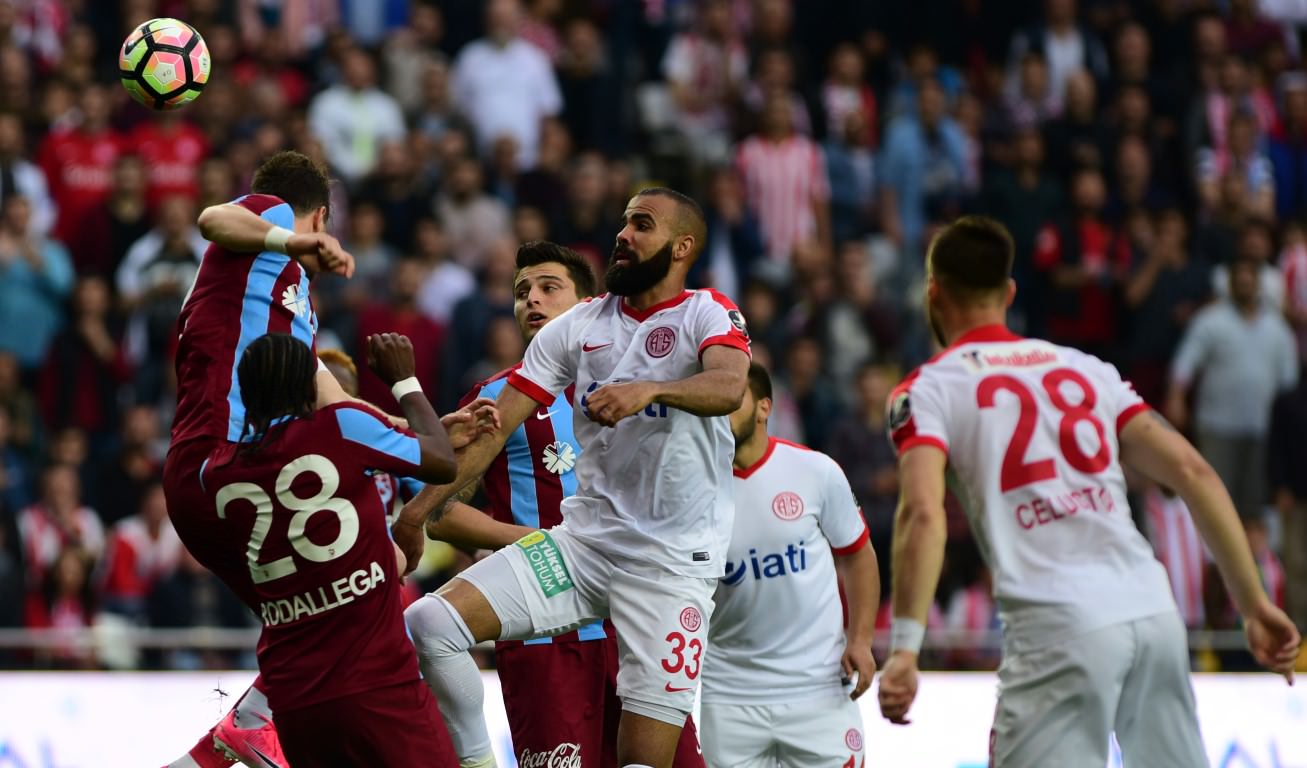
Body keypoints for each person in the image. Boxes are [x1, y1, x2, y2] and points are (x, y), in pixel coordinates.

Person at [875, 215, 1301, 767]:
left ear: (933, 292)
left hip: (1057, 626)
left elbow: (923, 514)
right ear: (1009, 293)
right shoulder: (1088, 369)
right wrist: (1254, 604)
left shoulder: (926, 389)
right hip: (1152, 612)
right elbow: (1193, 472)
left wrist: (906, 647)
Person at [161, 150, 491, 768]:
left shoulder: (284, 309)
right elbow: (211, 219)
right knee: (358, 597)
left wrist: (411, 431)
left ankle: (231, 739)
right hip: (226, 462)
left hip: (226, 478)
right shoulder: (265, 230)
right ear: (319, 216)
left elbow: (331, 397)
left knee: (356, 588)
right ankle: (259, 721)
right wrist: (291, 238)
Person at [401, 187, 751, 768]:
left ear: (682, 247)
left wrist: (651, 390)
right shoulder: (579, 327)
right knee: (430, 622)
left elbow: (729, 386)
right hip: (584, 547)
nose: (624, 234)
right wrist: (414, 515)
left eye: (642, 224)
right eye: (624, 222)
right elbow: (493, 432)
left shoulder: (705, 311)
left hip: (670, 570)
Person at [194, 332, 460, 765]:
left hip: (295, 704)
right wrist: (404, 380)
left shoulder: (216, 473)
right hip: (379, 687)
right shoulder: (340, 425)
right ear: (308, 386)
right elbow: (442, 461)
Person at [699, 362, 878, 767]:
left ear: (764, 407)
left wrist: (861, 639)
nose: (721, 409)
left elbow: (857, 554)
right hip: (729, 695)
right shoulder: (691, 489)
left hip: (818, 687)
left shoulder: (815, 471)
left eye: (733, 398)